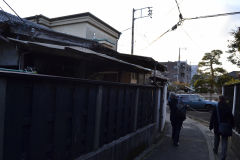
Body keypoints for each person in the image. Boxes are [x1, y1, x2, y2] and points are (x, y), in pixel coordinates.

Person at [209, 95, 234, 160]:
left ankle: (215, 150)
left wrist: (211, 126)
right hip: (225, 127)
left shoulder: (216, 107)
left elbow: (212, 117)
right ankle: (223, 155)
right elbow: (231, 117)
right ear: (224, 100)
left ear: (219, 99)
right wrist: (232, 125)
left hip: (217, 126)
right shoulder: (228, 107)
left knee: (216, 139)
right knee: (224, 141)